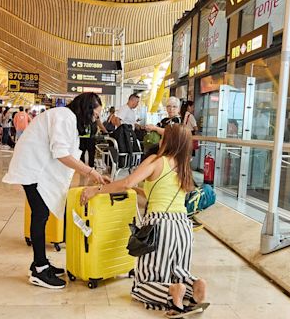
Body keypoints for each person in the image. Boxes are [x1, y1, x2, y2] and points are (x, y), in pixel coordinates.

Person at [80, 124, 207, 316]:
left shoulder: (156, 161)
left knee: (142, 284)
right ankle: (194, 284)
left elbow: (126, 182)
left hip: (160, 226)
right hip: (182, 227)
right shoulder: (184, 168)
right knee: (176, 271)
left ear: (166, 141)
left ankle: (170, 291)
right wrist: (132, 189)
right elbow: (154, 193)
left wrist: (94, 190)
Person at [3, 92, 109, 289]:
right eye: (95, 115)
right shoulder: (64, 116)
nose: (95, 120)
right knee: (40, 214)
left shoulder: (66, 118)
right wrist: (91, 172)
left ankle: (39, 262)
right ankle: (40, 269)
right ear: (86, 110)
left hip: (36, 168)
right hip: (32, 169)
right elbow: (61, 153)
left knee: (41, 215)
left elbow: (66, 154)